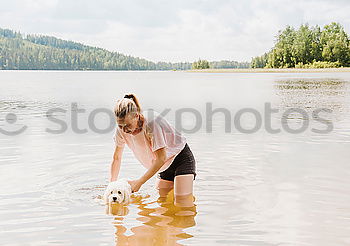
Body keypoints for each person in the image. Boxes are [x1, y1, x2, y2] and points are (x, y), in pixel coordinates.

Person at [110, 93, 197, 207]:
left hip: (180, 159)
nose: (124, 130)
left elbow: (161, 158)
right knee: (162, 203)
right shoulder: (121, 130)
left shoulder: (152, 123)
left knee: (182, 202)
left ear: (136, 115)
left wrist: (139, 182)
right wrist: (111, 186)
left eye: (128, 125)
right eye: (120, 126)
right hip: (162, 167)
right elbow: (117, 158)